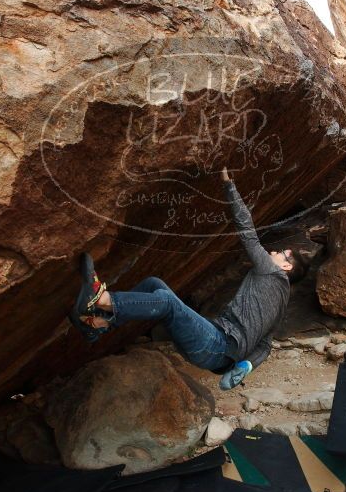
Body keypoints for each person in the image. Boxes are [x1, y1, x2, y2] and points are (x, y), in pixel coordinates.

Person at [69, 167, 306, 390]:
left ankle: (100, 299)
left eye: (281, 253)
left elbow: (248, 235)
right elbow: (265, 345)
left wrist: (228, 185)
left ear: (286, 266)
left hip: (216, 345)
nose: (274, 252)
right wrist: (247, 366)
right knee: (154, 285)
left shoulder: (272, 272)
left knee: (166, 301)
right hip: (214, 350)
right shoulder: (281, 304)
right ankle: (98, 324)